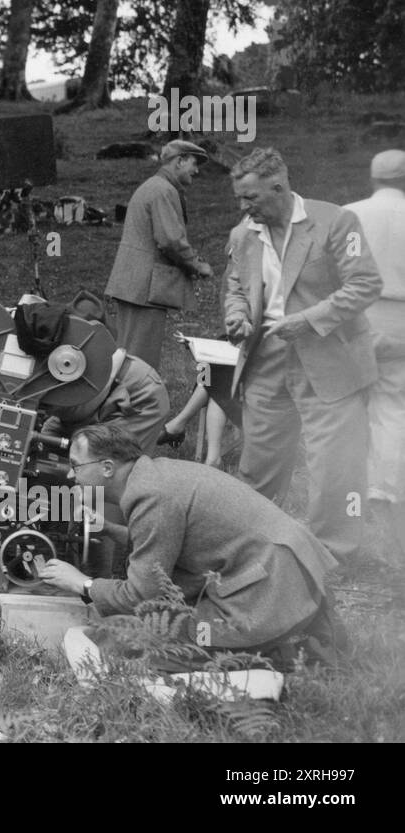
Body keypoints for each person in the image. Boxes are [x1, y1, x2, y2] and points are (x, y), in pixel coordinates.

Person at [41, 424, 344, 666]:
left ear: (107, 467)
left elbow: (140, 595)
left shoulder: (150, 496)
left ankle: (277, 656)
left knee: (136, 643)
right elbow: (169, 542)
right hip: (283, 565)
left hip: (267, 589)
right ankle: (286, 641)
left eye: (76, 466)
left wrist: (83, 583)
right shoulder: (157, 474)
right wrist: (110, 530)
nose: (70, 475)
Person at [224, 147, 381, 565]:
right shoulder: (244, 234)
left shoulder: (336, 221)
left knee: (334, 464)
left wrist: (308, 321)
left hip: (329, 356)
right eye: (239, 198)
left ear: (279, 187)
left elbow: (365, 283)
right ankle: (253, 546)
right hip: (266, 356)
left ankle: (332, 556)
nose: (243, 207)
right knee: (258, 460)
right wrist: (238, 318)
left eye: (250, 198)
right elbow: (236, 289)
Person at [104, 140, 215, 369]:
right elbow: (170, 240)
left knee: (126, 357)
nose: (197, 170)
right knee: (139, 362)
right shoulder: (163, 190)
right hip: (144, 289)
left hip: (134, 285)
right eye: (194, 163)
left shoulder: (155, 186)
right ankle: (132, 403)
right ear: (180, 160)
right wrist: (197, 265)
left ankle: (122, 402)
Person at [344, 150, 405, 549]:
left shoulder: (350, 214)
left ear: (373, 178)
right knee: (394, 404)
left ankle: (351, 494)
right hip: (400, 316)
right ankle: (385, 490)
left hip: (355, 315)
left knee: (353, 402)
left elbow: (337, 268)